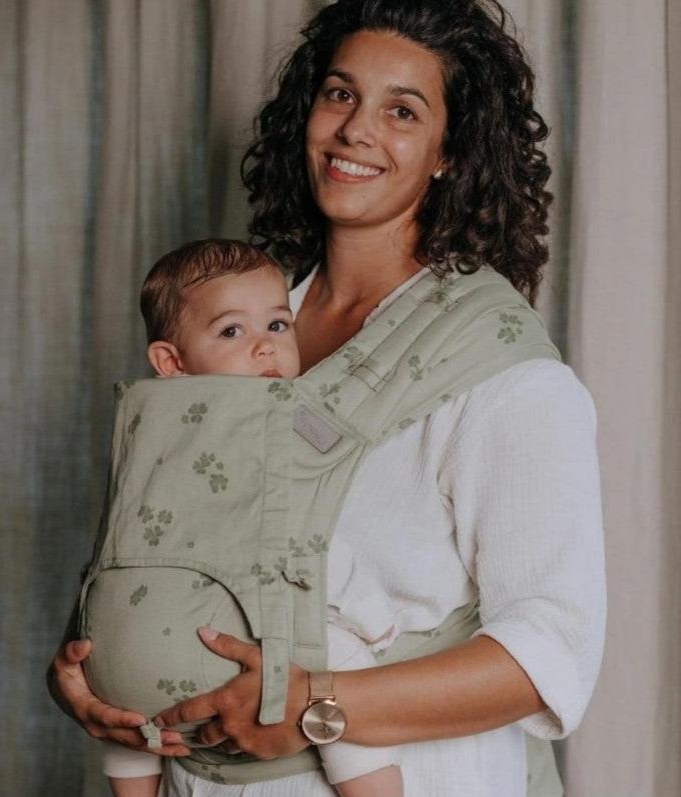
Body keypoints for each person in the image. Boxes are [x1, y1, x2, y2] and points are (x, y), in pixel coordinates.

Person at [48, 1, 606, 795]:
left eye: (402, 110)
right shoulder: (234, 333)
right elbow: (164, 550)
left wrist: (316, 705)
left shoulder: (503, 375)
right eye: (340, 94)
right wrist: (86, 667)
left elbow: (551, 651)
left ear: (450, 151)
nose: (355, 131)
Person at [88, 239, 403, 797]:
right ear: (171, 361)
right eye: (233, 332)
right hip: (224, 639)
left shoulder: (146, 433)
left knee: (130, 702)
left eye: (278, 326)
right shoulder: (270, 425)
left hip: (122, 653)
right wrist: (376, 619)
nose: (265, 348)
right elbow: (305, 542)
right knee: (343, 677)